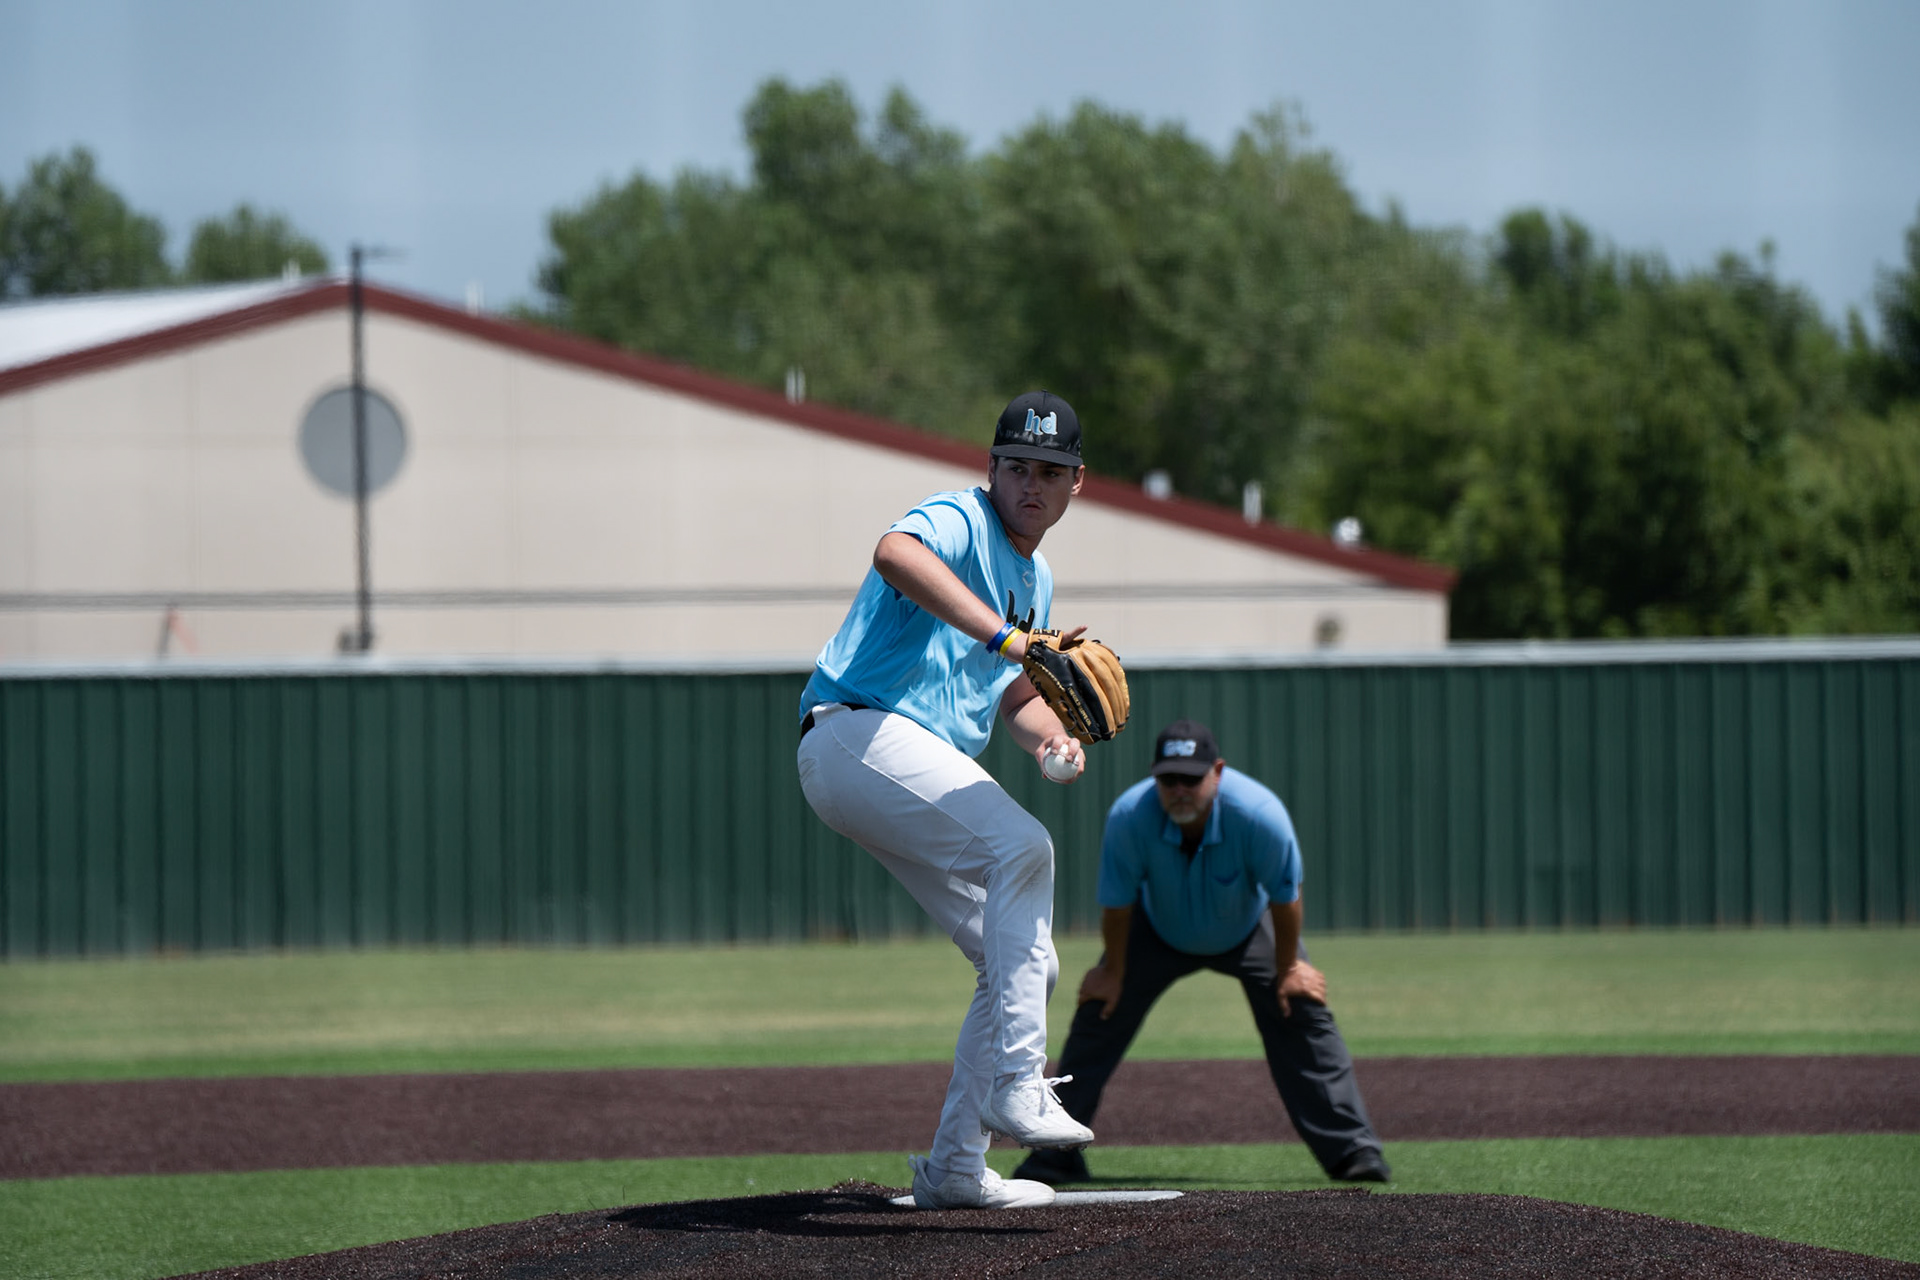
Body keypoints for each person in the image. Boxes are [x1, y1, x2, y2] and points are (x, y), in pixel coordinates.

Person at [796, 390, 1101, 1211]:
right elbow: (895, 552)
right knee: (1024, 848)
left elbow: (1012, 692)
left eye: (1051, 472)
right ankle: (1018, 1082)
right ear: (992, 468)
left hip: (901, 762)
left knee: (1025, 962)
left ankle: (957, 1168)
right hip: (855, 731)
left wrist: (1050, 739)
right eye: (1019, 467)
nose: (1032, 484)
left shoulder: (1034, 578)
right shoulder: (962, 519)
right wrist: (1007, 636)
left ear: (1077, 484)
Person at [1014, 718, 1391, 1187]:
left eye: (1191, 778)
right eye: (1168, 779)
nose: (1179, 790)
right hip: (1157, 928)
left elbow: (1285, 895)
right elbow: (1118, 904)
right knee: (1100, 1009)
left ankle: (1353, 1150)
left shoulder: (1258, 813)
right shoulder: (1130, 815)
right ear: (1154, 777)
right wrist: (1112, 970)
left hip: (1247, 926)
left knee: (1299, 1004)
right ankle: (1056, 1153)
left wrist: (1290, 967)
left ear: (1218, 772)